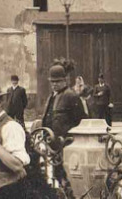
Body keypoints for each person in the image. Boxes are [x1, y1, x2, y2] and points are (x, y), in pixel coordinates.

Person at [41, 64, 86, 198]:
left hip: (66, 145)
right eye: (52, 82)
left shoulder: (71, 96)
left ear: (65, 80)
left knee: (68, 176)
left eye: (58, 81)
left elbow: (81, 120)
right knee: (57, 174)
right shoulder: (52, 96)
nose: (54, 84)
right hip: (54, 145)